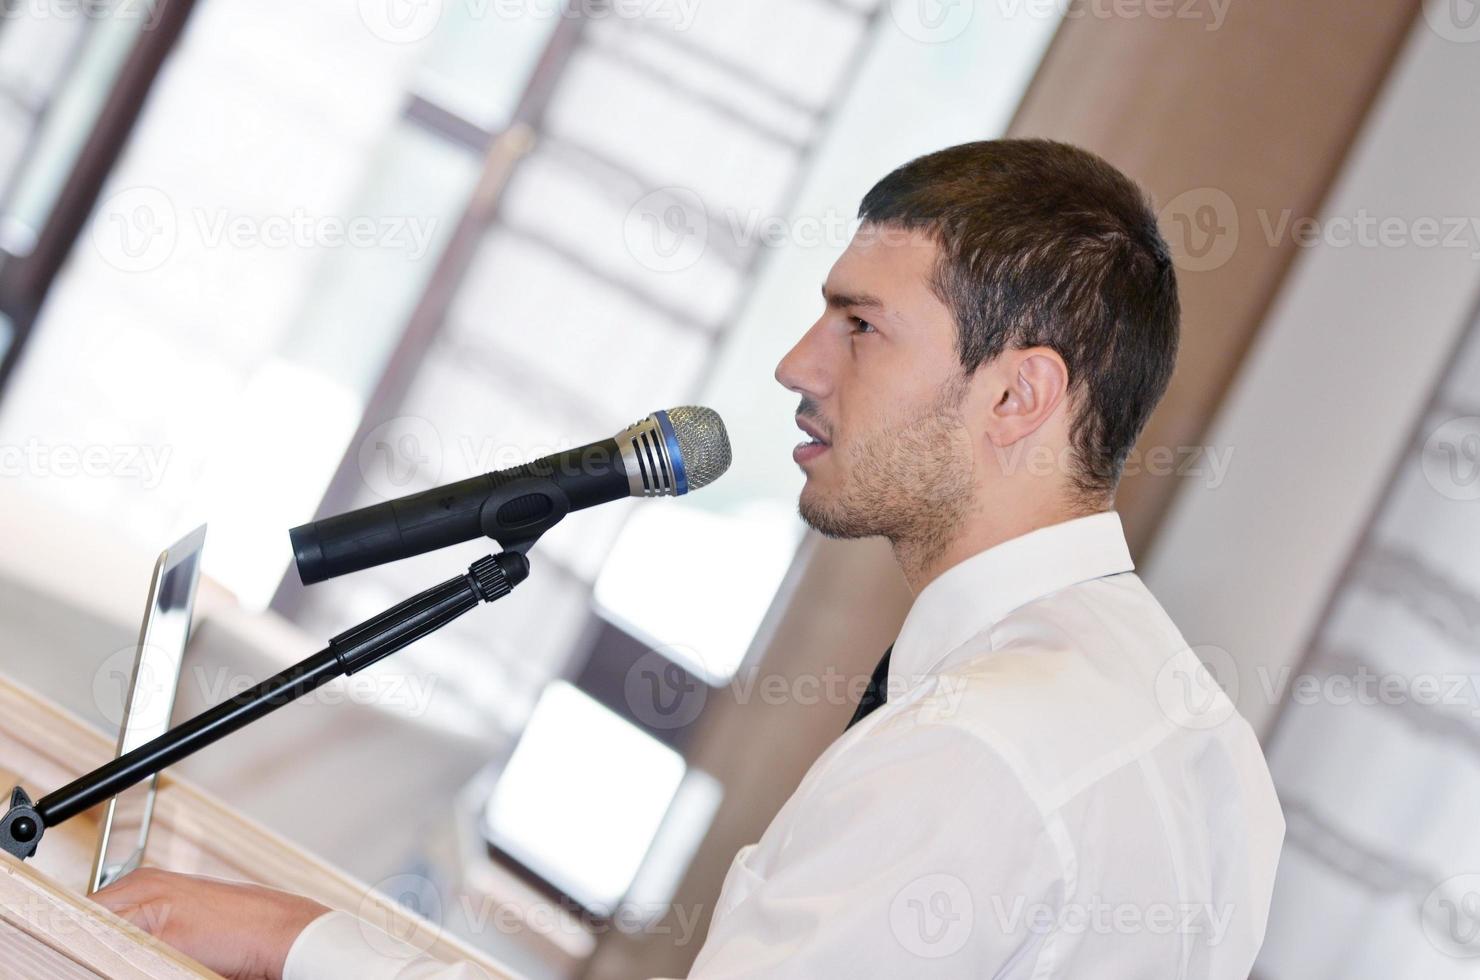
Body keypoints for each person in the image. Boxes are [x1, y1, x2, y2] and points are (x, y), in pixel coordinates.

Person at [95, 139, 1284, 979]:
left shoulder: (970, 748)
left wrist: (295, 941)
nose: (797, 364)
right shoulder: (1199, 736)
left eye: (860, 325)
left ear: (1019, 393)